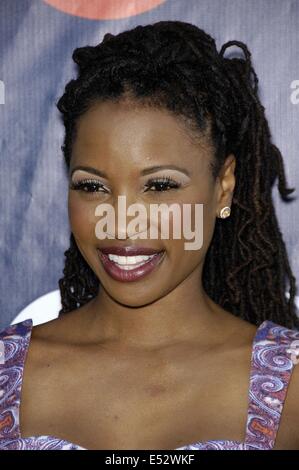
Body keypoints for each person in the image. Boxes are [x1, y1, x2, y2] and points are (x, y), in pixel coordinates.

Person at [1, 20, 299, 451]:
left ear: (224, 186)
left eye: (159, 186)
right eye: (92, 186)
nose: (122, 222)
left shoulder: (291, 389)